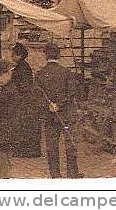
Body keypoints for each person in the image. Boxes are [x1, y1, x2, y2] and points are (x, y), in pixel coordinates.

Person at [35, 43, 81, 178]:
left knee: (51, 146)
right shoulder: (67, 73)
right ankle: (72, 174)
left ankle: (55, 175)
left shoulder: (39, 74)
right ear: (59, 55)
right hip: (66, 114)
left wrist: (50, 105)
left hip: (49, 116)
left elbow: (37, 95)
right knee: (70, 143)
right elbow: (72, 92)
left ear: (45, 55)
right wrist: (59, 104)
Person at [8, 42, 42, 158]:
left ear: (19, 55)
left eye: (13, 55)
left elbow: (23, 85)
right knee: (25, 125)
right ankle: (26, 149)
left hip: (24, 100)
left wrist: (14, 92)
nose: (11, 57)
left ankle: (27, 150)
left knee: (25, 126)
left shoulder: (22, 67)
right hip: (24, 99)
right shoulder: (22, 66)